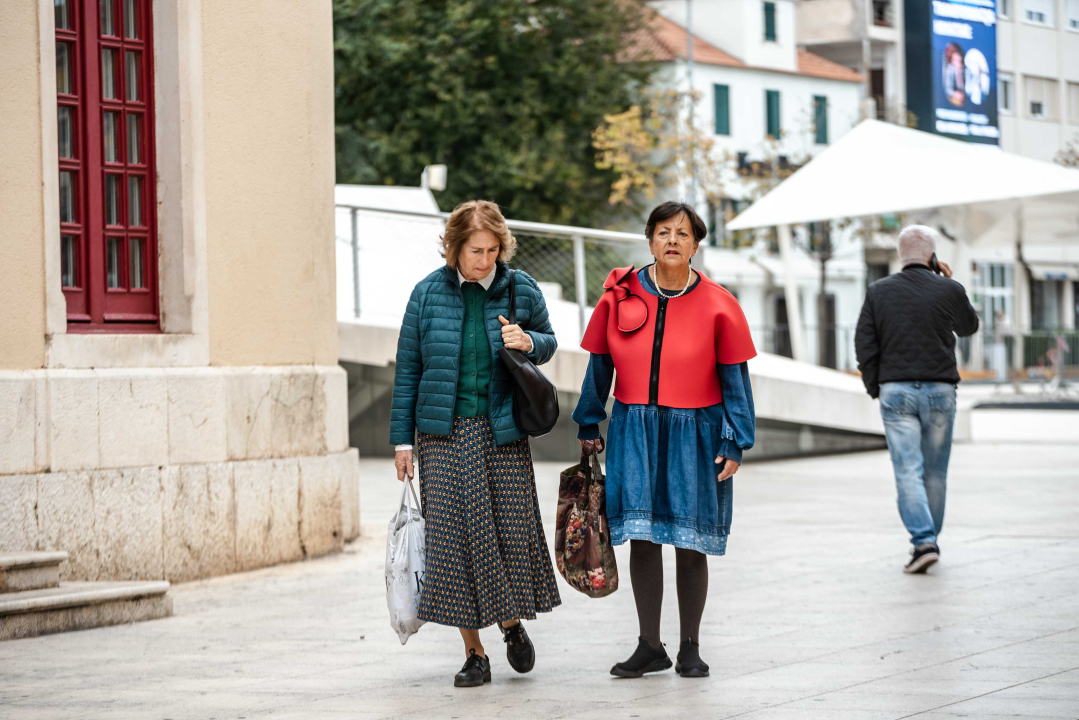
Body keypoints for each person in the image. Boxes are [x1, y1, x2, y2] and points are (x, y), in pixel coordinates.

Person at [572, 201, 757, 679]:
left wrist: (735, 441)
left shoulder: (720, 303)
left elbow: (735, 380)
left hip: (697, 432)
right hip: (634, 427)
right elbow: (599, 366)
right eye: (663, 232)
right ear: (650, 240)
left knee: (691, 542)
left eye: (682, 233)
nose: (672, 239)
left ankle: (690, 647)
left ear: (696, 244)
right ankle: (649, 645)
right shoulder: (618, 296)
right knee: (644, 538)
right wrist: (589, 423)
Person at [389, 200, 561, 688]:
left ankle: (509, 623)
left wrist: (528, 341)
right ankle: (475, 652)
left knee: (504, 534)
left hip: (502, 431)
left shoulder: (520, 287)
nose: (485, 261)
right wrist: (403, 442)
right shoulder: (426, 295)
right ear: (454, 247)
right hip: (441, 435)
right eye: (475, 251)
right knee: (455, 542)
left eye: (492, 250)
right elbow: (408, 371)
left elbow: (550, 341)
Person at [855, 225, 979, 574]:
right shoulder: (949, 289)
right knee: (935, 473)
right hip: (940, 390)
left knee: (908, 468)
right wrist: (951, 287)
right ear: (932, 255)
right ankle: (928, 542)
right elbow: (969, 326)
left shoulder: (878, 291)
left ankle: (924, 542)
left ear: (900, 255)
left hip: (896, 390)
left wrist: (874, 386)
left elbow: (864, 344)